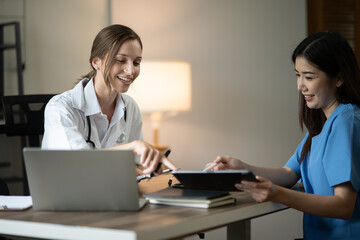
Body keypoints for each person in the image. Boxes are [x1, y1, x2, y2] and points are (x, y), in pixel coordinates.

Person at [206, 31, 360, 239]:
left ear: (339, 78)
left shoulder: (346, 121)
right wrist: (243, 168)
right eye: (298, 75)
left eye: (309, 77)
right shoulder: (320, 128)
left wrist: (278, 194)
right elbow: (288, 173)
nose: (300, 86)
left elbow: (344, 206)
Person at [42, 24, 177, 175]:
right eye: (121, 60)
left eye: (136, 62)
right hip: (67, 196)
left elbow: (133, 165)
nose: (131, 71)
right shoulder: (60, 108)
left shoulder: (130, 107)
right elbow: (77, 163)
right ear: (96, 62)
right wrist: (130, 147)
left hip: (110, 194)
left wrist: (147, 167)